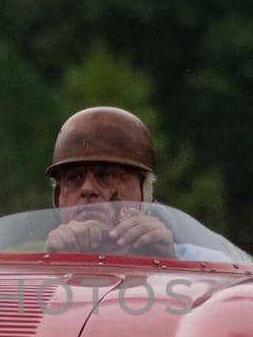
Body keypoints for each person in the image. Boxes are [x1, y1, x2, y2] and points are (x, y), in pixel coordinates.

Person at [45, 106, 175, 256]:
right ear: (57, 198)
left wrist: (168, 266)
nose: (87, 188)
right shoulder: (24, 271)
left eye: (108, 175)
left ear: (146, 195)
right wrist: (52, 269)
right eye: (73, 178)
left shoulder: (202, 263)